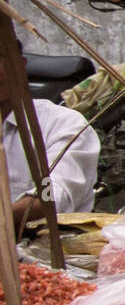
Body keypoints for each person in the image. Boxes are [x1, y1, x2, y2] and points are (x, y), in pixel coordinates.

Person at [0, 36, 100, 236]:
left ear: (20, 65)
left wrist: (8, 217)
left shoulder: (64, 124)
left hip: (43, 250)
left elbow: (51, 193)